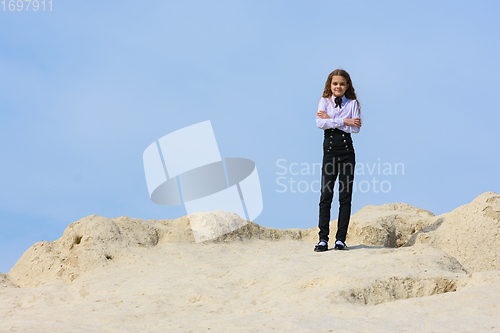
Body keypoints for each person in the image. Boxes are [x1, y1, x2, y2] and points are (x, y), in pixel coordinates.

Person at [314, 69, 361, 252]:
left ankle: (340, 239)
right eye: (335, 84)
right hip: (330, 153)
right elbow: (320, 124)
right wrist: (344, 121)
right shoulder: (324, 102)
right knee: (326, 196)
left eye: (342, 83)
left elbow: (355, 128)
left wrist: (332, 119)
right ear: (330, 85)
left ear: (347, 85)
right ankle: (323, 239)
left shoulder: (352, 103)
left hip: (347, 152)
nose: (338, 86)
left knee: (345, 197)